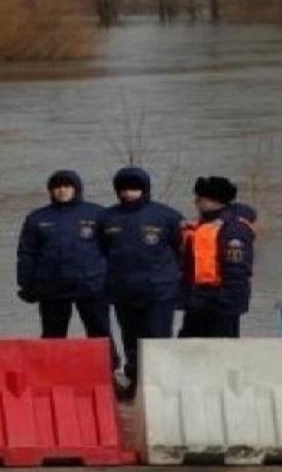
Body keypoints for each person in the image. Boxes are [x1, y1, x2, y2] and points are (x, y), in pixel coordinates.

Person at [17, 171, 118, 364]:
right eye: (57, 187)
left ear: (76, 189)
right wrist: (25, 283)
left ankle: (109, 369)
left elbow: (113, 250)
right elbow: (27, 253)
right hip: (52, 287)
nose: (62, 190)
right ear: (51, 191)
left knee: (99, 332)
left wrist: (113, 281)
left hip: (91, 285)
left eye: (67, 186)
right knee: (53, 335)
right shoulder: (37, 218)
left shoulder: (98, 214)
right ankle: (51, 370)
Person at [99, 166, 183, 399]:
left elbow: (182, 253)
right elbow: (101, 252)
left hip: (159, 292)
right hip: (123, 292)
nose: (128, 193)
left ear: (144, 189)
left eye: (134, 189)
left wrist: (176, 284)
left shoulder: (167, 216)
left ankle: (161, 387)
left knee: (157, 339)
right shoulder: (107, 218)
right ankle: (135, 384)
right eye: (124, 189)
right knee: (130, 340)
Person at [179, 176, 255, 338]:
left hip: (220, 304)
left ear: (212, 200)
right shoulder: (202, 224)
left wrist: (224, 300)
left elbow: (237, 270)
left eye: (199, 198)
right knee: (188, 345)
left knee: (220, 349)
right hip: (198, 301)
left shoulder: (233, 229)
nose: (195, 202)